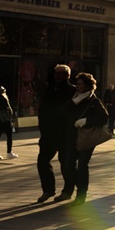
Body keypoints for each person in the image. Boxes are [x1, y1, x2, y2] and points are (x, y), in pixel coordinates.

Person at [61, 72, 109, 206]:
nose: (77, 86)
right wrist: (72, 102)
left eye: (80, 84)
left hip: (87, 138)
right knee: (68, 164)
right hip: (72, 136)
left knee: (82, 165)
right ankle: (81, 186)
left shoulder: (94, 101)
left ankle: (81, 194)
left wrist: (86, 121)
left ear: (88, 86)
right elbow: (63, 112)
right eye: (77, 83)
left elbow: (104, 117)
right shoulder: (74, 98)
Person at [36, 64, 76, 203]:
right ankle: (48, 190)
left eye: (61, 74)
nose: (57, 76)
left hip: (65, 133)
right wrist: (42, 127)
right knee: (42, 161)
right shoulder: (49, 89)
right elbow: (43, 109)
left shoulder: (72, 91)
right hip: (48, 133)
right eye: (56, 73)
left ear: (67, 76)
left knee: (65, 163)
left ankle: (67, 191)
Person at [0, 84, 18, 161]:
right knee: (9, 137)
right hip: (5, 120)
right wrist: (10, 119)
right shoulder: (4, 99)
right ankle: (9, 153)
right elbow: (7, 111)